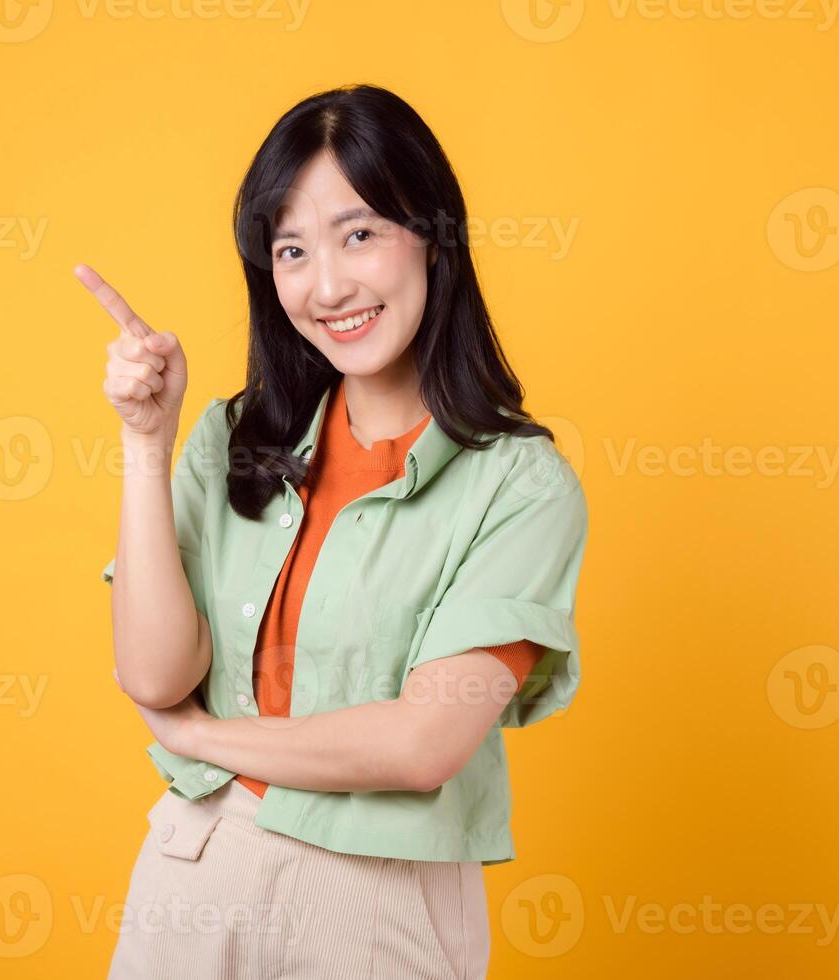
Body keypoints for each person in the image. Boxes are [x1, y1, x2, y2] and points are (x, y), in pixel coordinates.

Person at [84, 83, 589, 979]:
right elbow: (154, 672)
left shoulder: (520, 486)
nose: (328, 286)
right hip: (194, 872)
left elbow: (420, 744)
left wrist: (199, 738)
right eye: (292, 249)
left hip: (379, 903)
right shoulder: (237, 438)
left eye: (360, 234)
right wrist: (144, 444)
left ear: (434, 236)